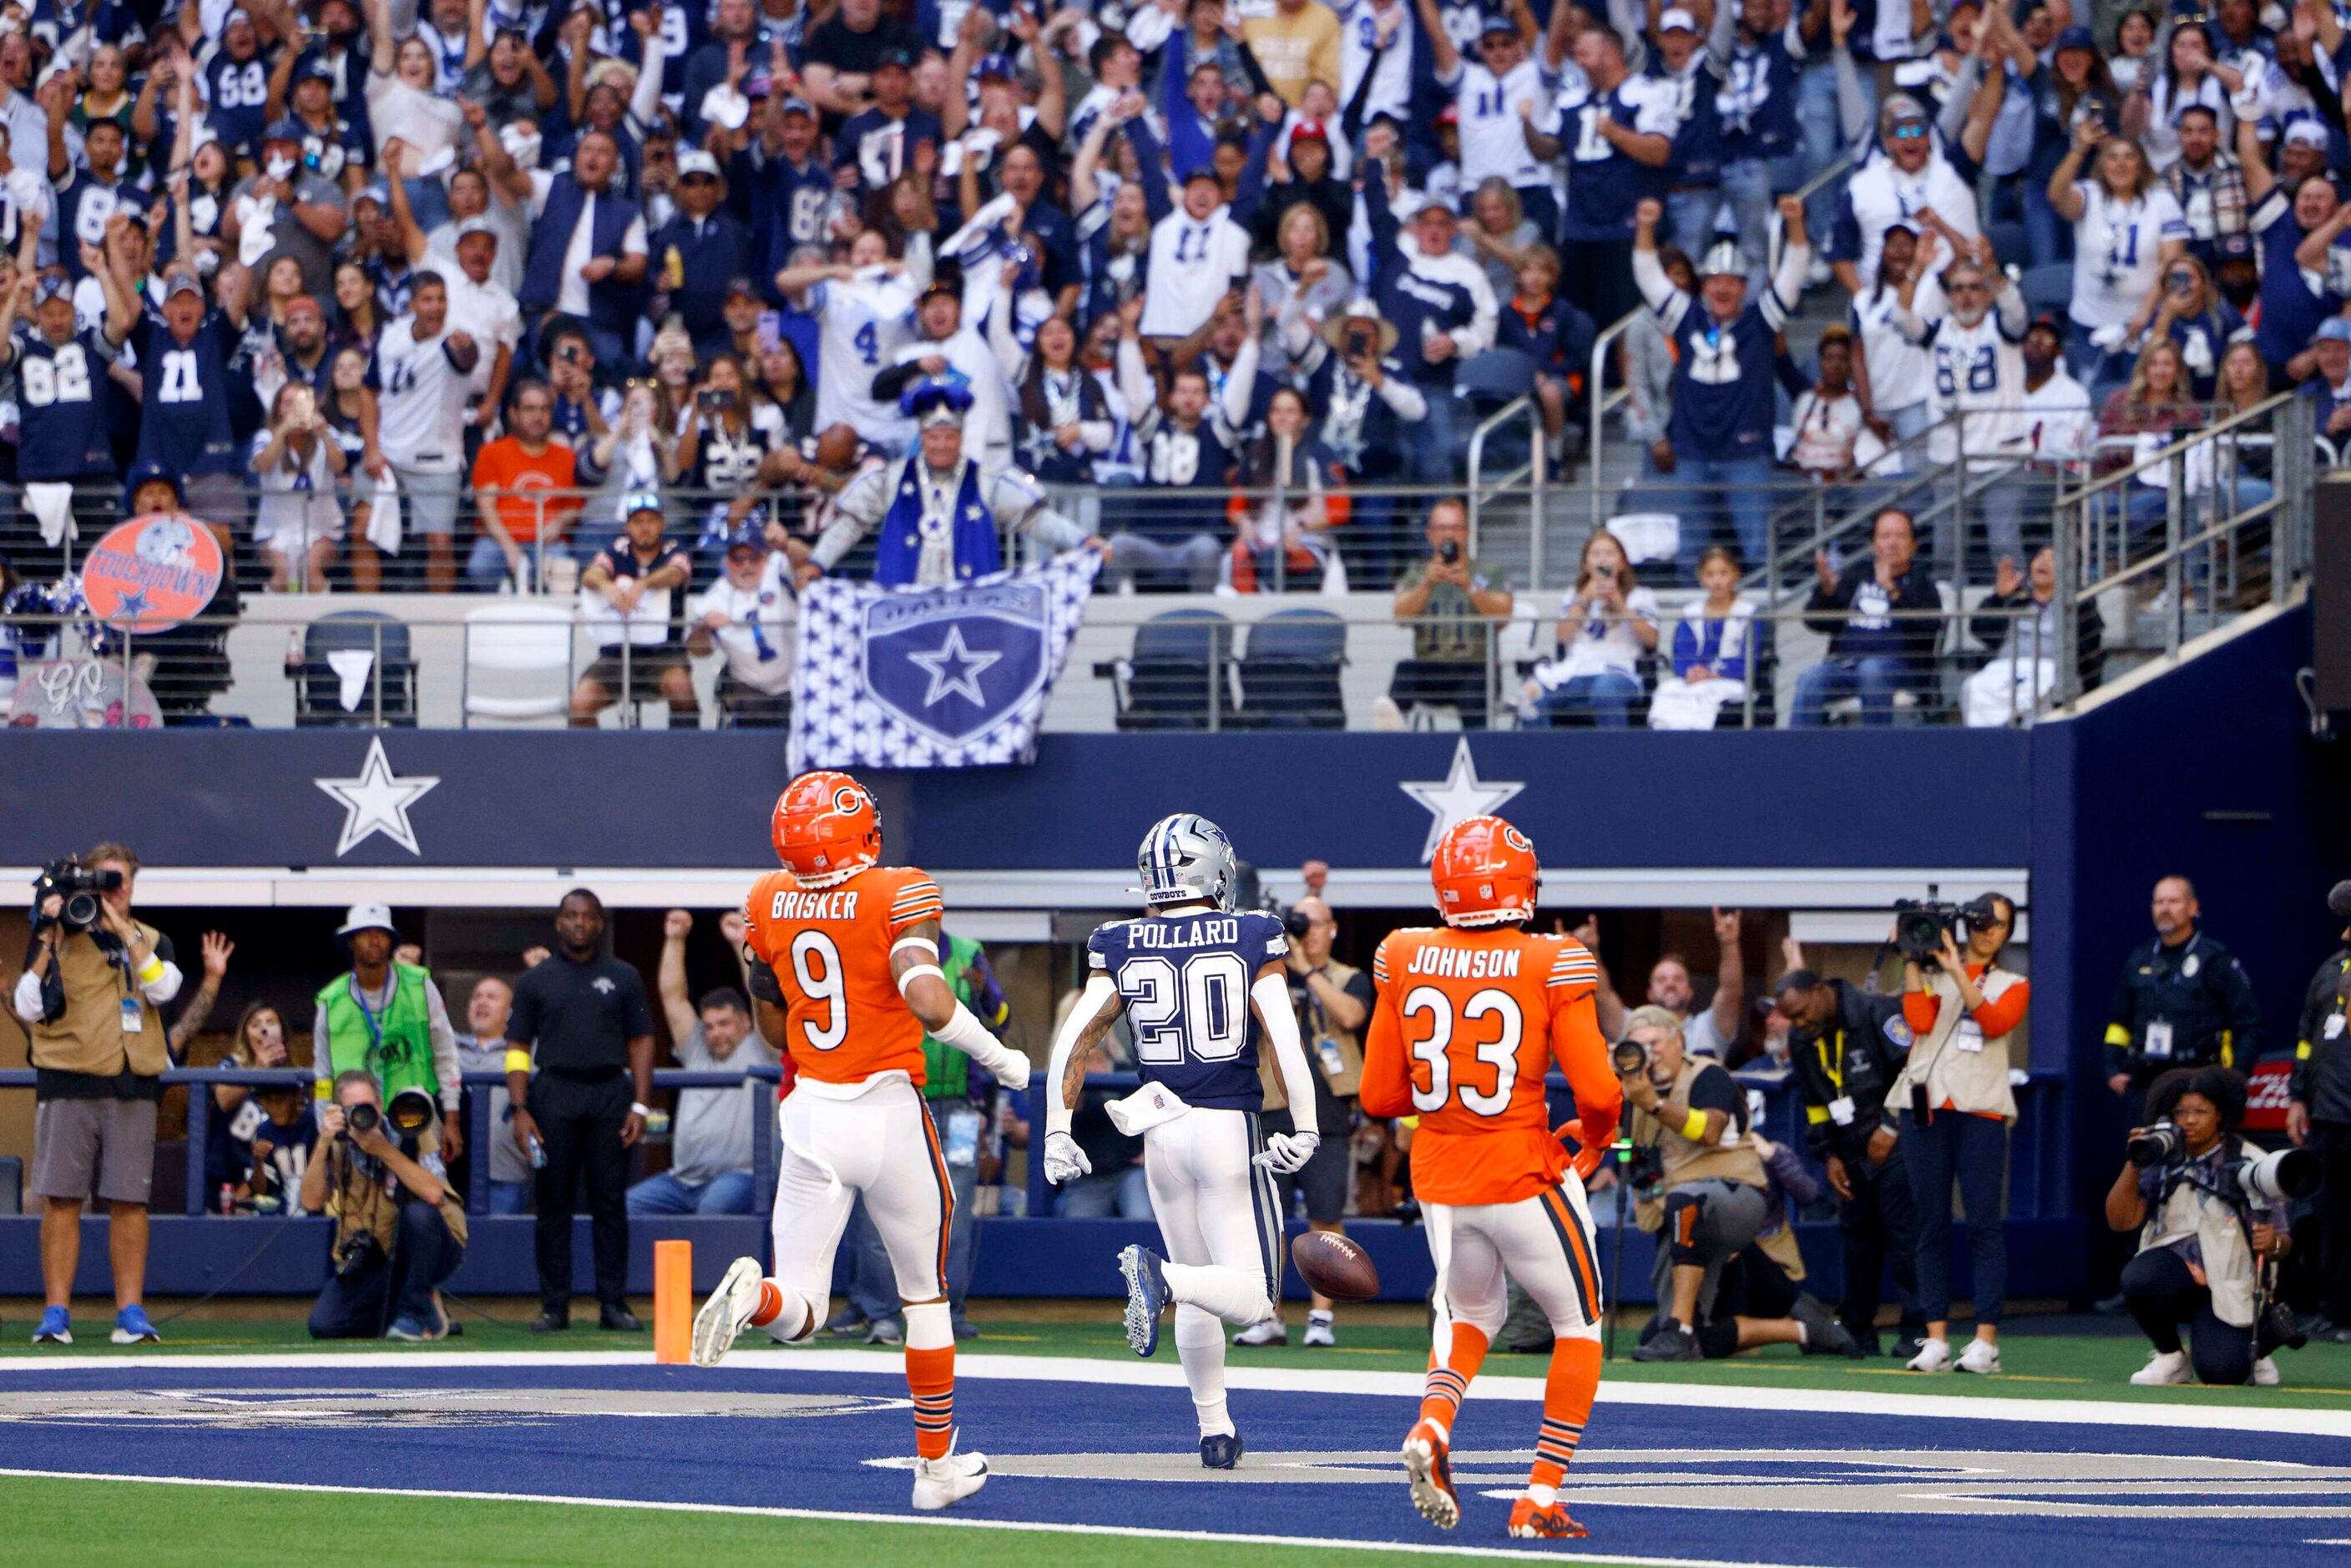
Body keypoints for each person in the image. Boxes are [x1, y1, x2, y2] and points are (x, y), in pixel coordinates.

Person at [691, 771, 1029, 1512]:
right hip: (886, 1109)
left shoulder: (764, 899)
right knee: (926, 1298)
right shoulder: (898, 890)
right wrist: (1000, 1059)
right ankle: (934, 1471)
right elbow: (927, 997)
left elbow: (773, 1023)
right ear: (860, 833)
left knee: (803, 1308)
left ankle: (754, 1300)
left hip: (811, 1112)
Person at [1357, 816, 1622, 1540]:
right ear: (1520, 886)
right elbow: (1599, 1094)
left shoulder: (1402, 952)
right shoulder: (1553, 960)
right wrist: (1597, 1141)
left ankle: (1434, 1425)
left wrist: (1448, 1099)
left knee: (1470, 1316)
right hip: (1522, 1169)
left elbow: (1380, 1098)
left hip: (1440, 1176)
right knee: (1579, 1326)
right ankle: (1539, 1495)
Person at [1044, 813, 1318, 1468]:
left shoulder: (1120, 939)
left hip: (1160, 1134)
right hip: (1227, 1127)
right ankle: (1158, 1278)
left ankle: (1214, 1430)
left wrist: (1057, 1129)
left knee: (1201, 1281)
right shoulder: (1253, 932)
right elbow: (1283, 1036)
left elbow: (1074, 1040)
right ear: (1214, 871)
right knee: (1253, 1296)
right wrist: (1305, 1126)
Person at [1618, 1004, 1854, 1364]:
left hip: (1737, 1197)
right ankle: (1804, 1326)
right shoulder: (1632, 1100)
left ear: (1678, 1040)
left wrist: (1654, 1103)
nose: (1649, 1053)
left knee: (1687, 1201)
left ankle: (1680, 1329)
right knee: (1660, 1336)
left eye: (1654, 1041)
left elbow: (1710, 1130)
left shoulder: (1707, 1075)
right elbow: (1629, 1158)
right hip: (1685, 1222)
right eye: (1638, 1046)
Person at [13, 844, 177, 1347]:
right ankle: (56, 1312)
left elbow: (165, 989)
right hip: (69, 1078)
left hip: (132, 1081)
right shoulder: (60, 936)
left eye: (120, 881)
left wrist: (124, 932)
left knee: (130, 1199)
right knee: (61, 1198)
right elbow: (26, 1004)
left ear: (133, 884)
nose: (114, 890)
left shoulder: (151, 938)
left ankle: (130, 1311)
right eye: (104, 881)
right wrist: (49, 934)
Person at [1632, 195, 1812, 576]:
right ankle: (1689, 627)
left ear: (1745, 287)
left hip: (1746, 455)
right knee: (1689, 551)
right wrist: (1646, 227)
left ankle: (1763, 633)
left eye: (1732, 281)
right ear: (1703, 285)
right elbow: (1648, 273)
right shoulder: (1685, 315)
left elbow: (1795, 267)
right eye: (1715, 280)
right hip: (1692, 452)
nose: (1723, 288)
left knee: (1758, 548)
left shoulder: (1763, 319)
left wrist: (1795, 224)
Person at [506, 888, 656, 1334]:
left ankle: (613, 1304)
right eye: (571, 915)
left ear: (599, 924)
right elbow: (516, 1046)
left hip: (611, 1094)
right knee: (553, 1204)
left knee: (612, 1204)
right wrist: (519, 1108)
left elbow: (643, 1039)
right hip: (553, 1094)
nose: (580, 923)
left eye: (588, 916)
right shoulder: (536, 980)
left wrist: (641, 1103)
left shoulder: (625, 976)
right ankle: (554, 1306)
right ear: (558, 922)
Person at [1893, 895, 2027, 1374]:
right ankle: (1935, 1337)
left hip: (1981, 1111)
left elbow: (1993, 1022)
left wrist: (1956, 971)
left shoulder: (2013, 982)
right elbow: (1919, 1023)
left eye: (1999, 925)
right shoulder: (1929, 972)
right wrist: (1913, 958)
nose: (1988, 930)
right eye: (1982, 921)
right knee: (1929, 1223)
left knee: (1983, 1224)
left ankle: (1985, 1340)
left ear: (2008, 934)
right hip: (1926, 1107)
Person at [1234, 895, 1368, 1348]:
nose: (1305, 931)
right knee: (1267, 1217)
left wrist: (1307, 969)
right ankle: (1268, 1314)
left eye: (1313, 924)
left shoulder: (1349, 977)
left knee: (1324, 1215)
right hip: (1271, 1107)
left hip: (1328, 1111)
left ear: (1331, 928)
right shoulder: (1267, 973)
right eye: (1299, 923)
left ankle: (1320, 1317)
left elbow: (1351, 1016)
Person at [1772, 966, 1926, 1357]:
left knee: (1904, 1235)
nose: (1799, 1022)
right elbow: (1815, 1106)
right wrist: (1829, 1156)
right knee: (1857, 1241)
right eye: (1792, 1018)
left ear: (1821, 991)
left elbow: (1915, 1069)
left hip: (1899, 1140)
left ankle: (1918, 1329)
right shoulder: (1802, 1037)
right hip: (1850, 1150)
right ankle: (1858, 1329)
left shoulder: (1877, 1012)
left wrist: (1890, 1128)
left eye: (1802, 1011)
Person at [2106, 1067, 2288, 1385]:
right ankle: (2171, 1356)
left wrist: (2272, 1243)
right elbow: (2121, 1222)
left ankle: (2257, 1346)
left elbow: (2283, 1241)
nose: (2189, 1121)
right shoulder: (2161, 1155)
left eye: (2201, 1111)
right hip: (2174, 1274)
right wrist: (2134, 1161)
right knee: (2139, 1276)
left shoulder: (2250, 1160)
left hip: (2231, 1285)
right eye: (2181, 1112)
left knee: (2222, 1373)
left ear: (2220, 1114)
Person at [809, 381, 1090, 588]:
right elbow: (849, 526)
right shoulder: (890, 479)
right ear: (922, 437)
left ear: (961, 437)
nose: (941, 445)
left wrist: (1083, 540)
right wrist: (817, 563)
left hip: (969, 610)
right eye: (933, 437)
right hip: (903, 611)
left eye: (949, 437)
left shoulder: (986, 480)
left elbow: (1035, 520)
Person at [626, 910, 778, 1216]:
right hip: (681, 1182)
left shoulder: (760, 1048)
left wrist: (741, 943)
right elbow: (673, 998)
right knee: (625, 1207)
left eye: (724, 1023)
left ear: (746, 1022)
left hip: (740, 1177)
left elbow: (760, 997)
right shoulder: (698, 1050)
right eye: (709, 1026)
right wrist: (674, 939)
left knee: (712, 1209)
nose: (715, 1033)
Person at [309, 903, 463, 1161]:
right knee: (360, 1200)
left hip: (416, 1115)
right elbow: (323, 1076)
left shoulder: (419, 985)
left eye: (380, 933)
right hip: (357, 1120)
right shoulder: (331, 1000)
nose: (373, 939)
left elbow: (446, 1053)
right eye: (364, 933)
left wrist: (452, 1119)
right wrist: (324, 1127)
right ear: (350, 941)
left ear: (391, 941)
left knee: (426, 1195)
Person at [1792, 507, 1942, 727]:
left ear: (1913, 546)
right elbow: (1815, 622)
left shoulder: (1922, 583)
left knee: (1872, 670)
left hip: (1899, 670)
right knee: (1811, 677)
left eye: (1900, 536)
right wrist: (1827, 593)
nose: (1892, 543)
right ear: (1873, 545)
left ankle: (1874, 751)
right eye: (1885, 536)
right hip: (1845, 668)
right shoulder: (1856, 577)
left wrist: (1892, 589)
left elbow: (1930, 626)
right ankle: (1799, 755)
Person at [1378, 498, 1514, 730]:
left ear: (1467, 533)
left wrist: (1470, 587)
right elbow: (1400, 616)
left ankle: (1474, 756)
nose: (1448, 535)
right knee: (1405, 671)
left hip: (1476, 668)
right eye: (1441, 528)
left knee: (1477, 689)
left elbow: (1504, 616)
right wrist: (1427, 585)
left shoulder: (1489, 573)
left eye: (1455, 528)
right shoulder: (1417, 574)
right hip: (1431, 669)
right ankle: (1393, 744)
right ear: (1429, 534)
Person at [2288, 880, 2351, 1342]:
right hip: (2328, 1115)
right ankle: (2335, 1308)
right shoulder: (2330, 970)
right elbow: (2308, 1036)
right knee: (2332, 1215)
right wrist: (2296, 1097)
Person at [574, 494, 697, 728]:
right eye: (638, 521)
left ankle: (685, 759)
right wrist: (606, 585)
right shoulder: (615, 551)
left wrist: (644, 584)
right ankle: (591, 763)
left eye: (651, 521)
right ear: (627, 526)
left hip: (664, 656)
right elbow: (590, 575)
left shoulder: (674, 550)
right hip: (615, 656)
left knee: (681, 690)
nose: (645, 527)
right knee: (580, 703)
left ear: (662, 524)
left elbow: (676, 573)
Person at [1518, 528, 1660, 729]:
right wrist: (1584, 599)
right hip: (1576, 671)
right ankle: (1543, 758)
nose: (1603, 559)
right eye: (1596, 554)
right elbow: (1562, 636)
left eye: (1610, 554)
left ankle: (1614, 758)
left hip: (1618, 672)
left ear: (1622, 563)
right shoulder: (1573, 595)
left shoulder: (1641, 595)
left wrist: (1619, 603)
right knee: (1530, 697)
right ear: (1586, 564)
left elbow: (1651, 639)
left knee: (1604, 693)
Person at [687, 527, 796, 728]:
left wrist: (787, 545)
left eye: (754, 557)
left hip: (796, 682)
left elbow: (807, 565)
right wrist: (703, 627)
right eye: (738, 558)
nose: (747, 565)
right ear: (728, 563)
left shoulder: (780, 572)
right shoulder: (716, 596)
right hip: (749, 687)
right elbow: (697, 650)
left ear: (765, 558)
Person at [1648, 547, 1758, 730]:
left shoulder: (1748, 614)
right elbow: (1681, 654)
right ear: (1701, 578)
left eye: (1723, 573)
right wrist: (1691, 673)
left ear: (1735, 575)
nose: (1717, 581)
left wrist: (1714, 674)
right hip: (1694, 680)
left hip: (1730, 680)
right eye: (1710, 574)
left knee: (1705, 699)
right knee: (1667, 692)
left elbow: (1749, 660)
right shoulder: (1691, 614)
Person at [452, 975, 532, 1215]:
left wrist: (539, 971)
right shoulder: (449, 1048)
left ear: (510, 1012)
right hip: (451, 1176)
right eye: (477, 997)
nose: (482, 1002)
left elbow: (555, 1027)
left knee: (498, 1250)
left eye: (492, 997)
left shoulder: (526, 1052)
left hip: (504, 1176)